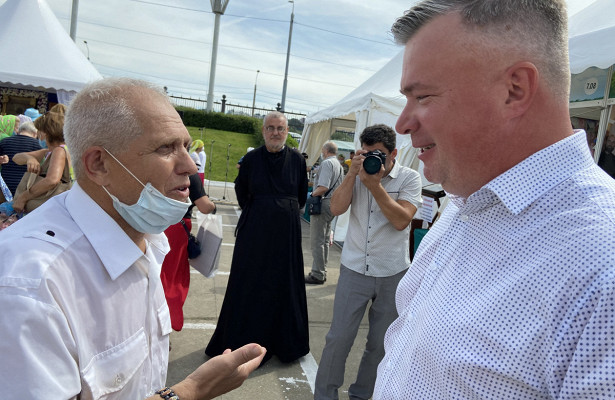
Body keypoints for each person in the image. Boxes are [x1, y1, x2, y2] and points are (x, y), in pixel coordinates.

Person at [374, 1, 615, 399]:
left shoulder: (601, 266)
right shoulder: (467, 202)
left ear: (514, 89)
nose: (402, 123)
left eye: (424, 96)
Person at [0, 77, 265, 398]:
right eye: (166, 148)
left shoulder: (148, 237)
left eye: (186, 145)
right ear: (99, 164)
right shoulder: (30, 286)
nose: (189, 166)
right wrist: (189, 391)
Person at [314, 124, 422, 400]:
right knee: (337, 339)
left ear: (394, 153)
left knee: (380, 344)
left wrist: (374, 186)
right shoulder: (357, 174)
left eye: (380, 154)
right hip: (354, 269)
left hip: (393, 272)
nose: (374, 159)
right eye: (367, 152)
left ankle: (363, 395)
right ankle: (324, 396)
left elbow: (401, 220)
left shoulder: (409, 178)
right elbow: (336, 208)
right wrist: (352, 174)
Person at [206, 111, 309, 366]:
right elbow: (242, 192)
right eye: (271, 128)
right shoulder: (251, 159)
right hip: (255, 233)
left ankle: (283, 343)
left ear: (287, 132)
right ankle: (244, 342)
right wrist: (264, 211)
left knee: (283, 284)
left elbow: (301, 195)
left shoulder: (297, 159)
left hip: (286, 235)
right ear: (263, 131)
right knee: (249, 282)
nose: (275, 133)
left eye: (281, 128)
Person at [161, 172, 216, 332]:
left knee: (154, 275)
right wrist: (213, 206)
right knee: (172, 280)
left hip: (151, 225)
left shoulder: (156, 164)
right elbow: (205, 206)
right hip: (176, 229)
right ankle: (166, 324)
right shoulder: (189, 174)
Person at [11, 111, 73, 213]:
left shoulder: (59, 151)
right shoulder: (52, 151)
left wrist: (24, 197)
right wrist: (29, 158)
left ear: (47, 132)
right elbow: (16, 158)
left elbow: (52, 180)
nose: (38, 135)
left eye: (40, 131)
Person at [305, 141, 344, 284]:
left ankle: (318, 273)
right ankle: (321, 270)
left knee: (317, 240)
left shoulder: (327, 163)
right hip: (332, 203)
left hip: (323, 202)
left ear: (326, 151)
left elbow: (323, 186)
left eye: (322, 150)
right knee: (325, 240)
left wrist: (311, 195)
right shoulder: (338, 165)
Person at [0, 121, 42, 195]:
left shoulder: (4, 141)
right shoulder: (37, 145)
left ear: (19, 131)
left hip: (4, 184)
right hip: (25, 185)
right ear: (35, 133)